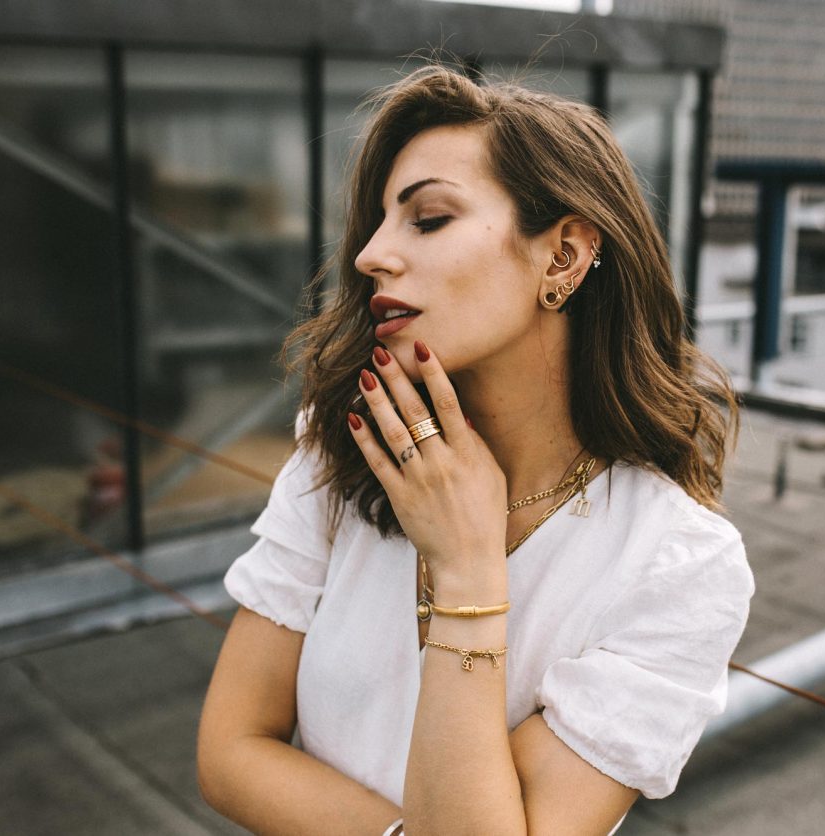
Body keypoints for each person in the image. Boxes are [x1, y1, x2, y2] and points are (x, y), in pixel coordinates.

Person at [196, 64, 754, 835]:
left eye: (427, 219)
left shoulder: (678, 567)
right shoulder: (341, 450)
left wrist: (466, 573)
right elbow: (229, 752)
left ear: (562, 257)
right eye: (378, 223)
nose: (370, 255)